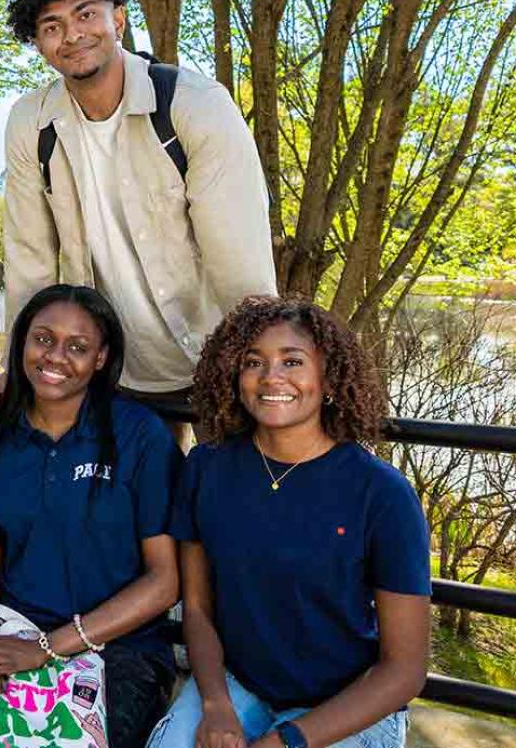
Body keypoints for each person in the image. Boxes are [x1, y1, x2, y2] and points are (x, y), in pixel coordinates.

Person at [0, 0, 276, 426]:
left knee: (228, 497)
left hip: (215, 364)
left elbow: (239, 261)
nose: (73, 34)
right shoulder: (31, 123)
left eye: (86, 15)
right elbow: (30, 260)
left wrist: (259, 369)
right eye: (52, 26)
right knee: (136, 501)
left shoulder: (195, 106)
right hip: (113, 375)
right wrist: (18, 367)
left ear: (117, 19)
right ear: (39, 44)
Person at [148, 296, 430, 748]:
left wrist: (289, 740)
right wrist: (216, 705)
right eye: (253, 362)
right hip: (236, 684)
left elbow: (405, 669)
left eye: (292, 361)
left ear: (328, 377)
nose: (271, 377)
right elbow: (197, 609)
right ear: (234, 377)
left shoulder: (381, 494)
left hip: (344, 702)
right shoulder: (207, 468)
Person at [0, 284, 181, 748]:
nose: (55, 356)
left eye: (78, 347)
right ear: (22, 342)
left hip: (120, 650)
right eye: (43, 339)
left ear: (101, 358)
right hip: (15, 637)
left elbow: (164, 581)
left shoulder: (140, 437)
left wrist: (47, 648)